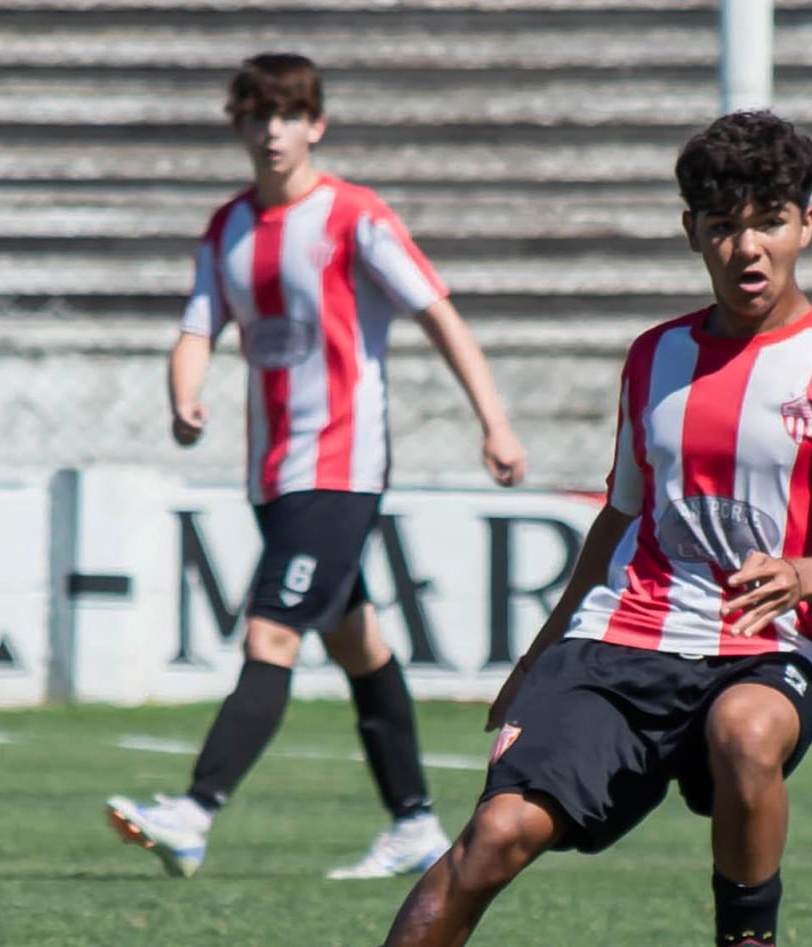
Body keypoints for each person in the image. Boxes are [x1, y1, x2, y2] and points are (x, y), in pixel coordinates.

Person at [382, 110, 812, 946]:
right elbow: (621, 517)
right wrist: (538, 655)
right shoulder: (654, 357)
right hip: (623, 643)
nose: (747, 248)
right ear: (692, 232)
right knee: (494, 834)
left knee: (744, 730)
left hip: (768, 649)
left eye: (770, 222)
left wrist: (805, 574)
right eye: (723, 226)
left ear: (807, 224)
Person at [103, 52, 528, 881]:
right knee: (357, 641)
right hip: (272, 473)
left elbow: (438, 313)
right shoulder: (228, 226)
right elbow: (197, 327)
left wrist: (496, 421)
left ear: (316, 125)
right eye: (258, 115)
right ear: (238, 125)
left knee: (271, 630)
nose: (273, 131)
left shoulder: (353, 215)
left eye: (289, 115)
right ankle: (414, 823)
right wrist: (184, 396)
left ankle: (194, 812)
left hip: (340, 464)